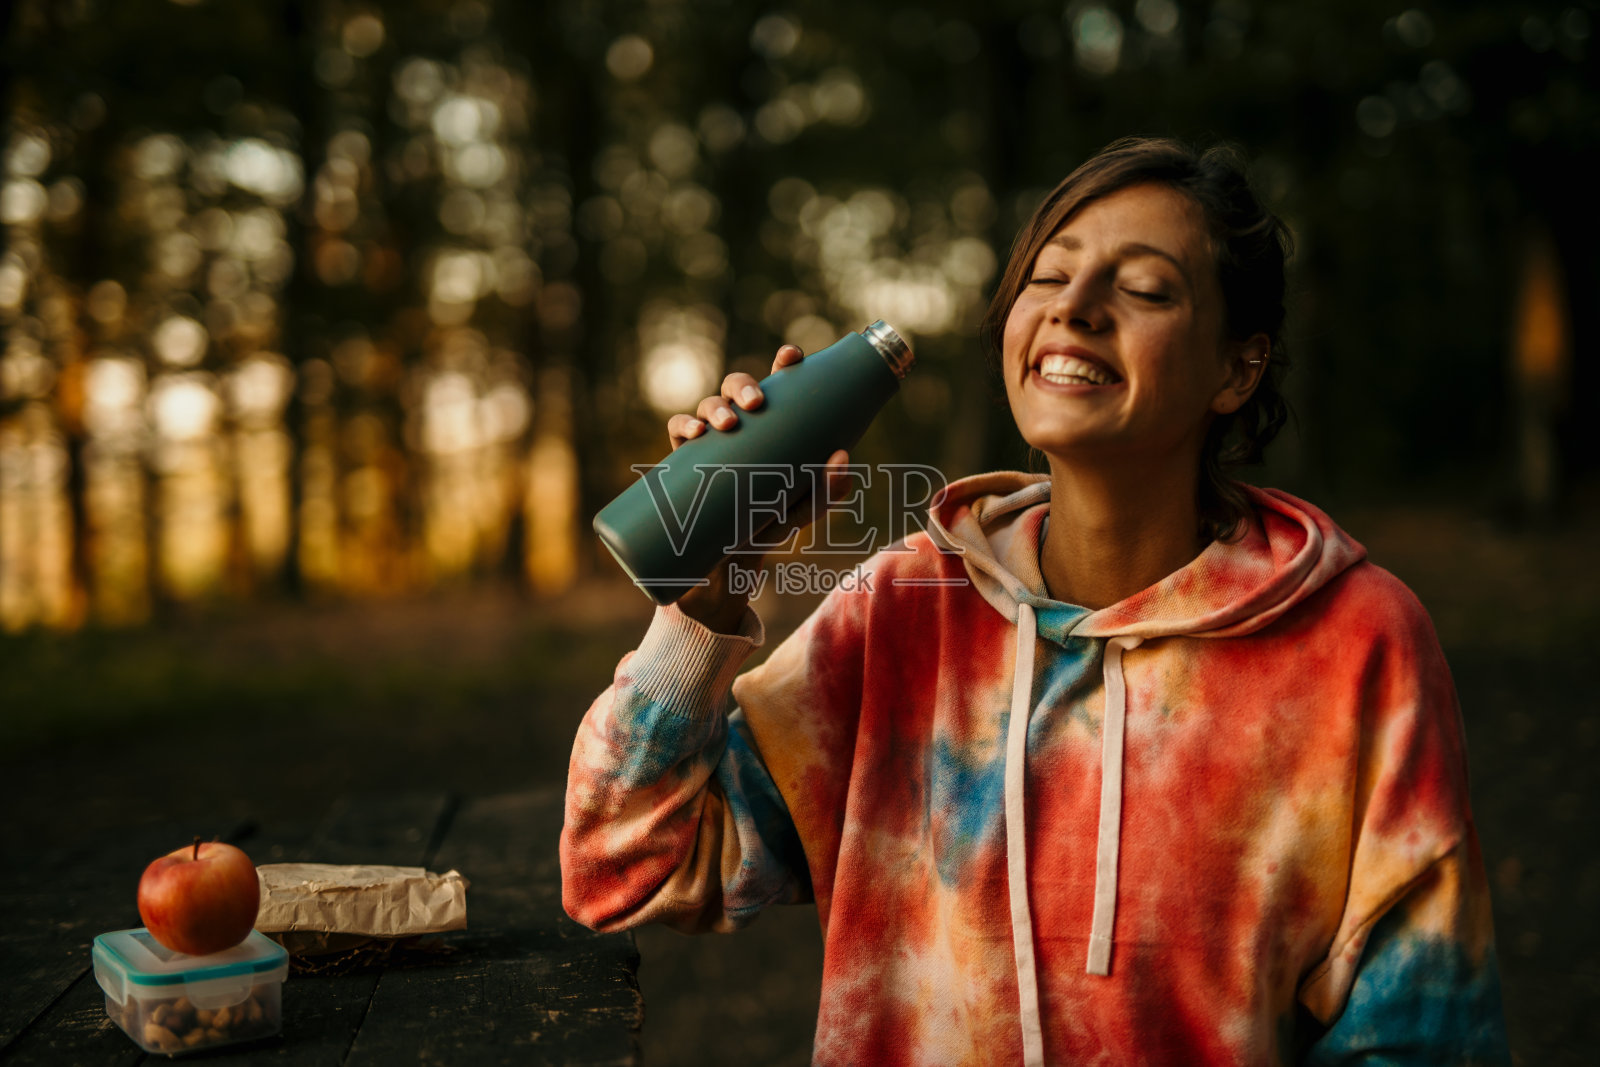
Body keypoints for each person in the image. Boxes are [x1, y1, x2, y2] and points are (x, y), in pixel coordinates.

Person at [561, 137, 1511, 1065]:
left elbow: (1423, 1037)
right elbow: (629, 868)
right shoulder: (908, 607)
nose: (1077, 310)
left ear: (1237, 369)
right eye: (1048, 279)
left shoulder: (1354, 641)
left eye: (1143, 289)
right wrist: (709, 595)